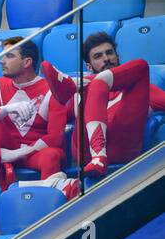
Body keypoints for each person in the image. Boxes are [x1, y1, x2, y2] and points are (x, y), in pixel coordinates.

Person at [40, 31, 165, 177]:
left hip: (122, 149)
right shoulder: (78, 97)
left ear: (118, 57)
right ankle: (98, 156)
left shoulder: (143, 89)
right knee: (94, 88)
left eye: (109, 53)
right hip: (86, 154)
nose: (106, 59)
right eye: (98, 56)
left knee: (141, 66)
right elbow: (49, 123)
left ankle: (74, 84)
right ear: (89, 67)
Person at [0, 36, 68, 190]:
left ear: (27, 62)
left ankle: (47, 198)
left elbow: (55, 138)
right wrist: (7, 109)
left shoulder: (52, 89)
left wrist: (18, 153)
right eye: (2, 56)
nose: (1, 61)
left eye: (9, 56)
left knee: (52, 155)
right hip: (7, 148)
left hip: (36, 152)